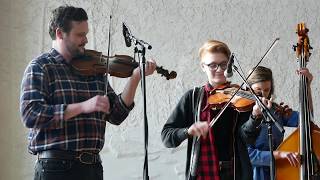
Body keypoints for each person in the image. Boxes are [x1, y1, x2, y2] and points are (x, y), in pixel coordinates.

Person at [19, 5, 156, 180]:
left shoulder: (95, 68)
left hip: (92, 168)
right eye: (80, 35)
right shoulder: (41, 67)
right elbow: (30, 115)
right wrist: (82, 107)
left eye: (86, 34)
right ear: (60, 33)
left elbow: (116, 115)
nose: (85, 40)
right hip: (55, 169)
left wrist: (135, 77)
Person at [161, 40, 265, 180]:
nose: (219, 69)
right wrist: (188, 131)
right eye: (212, 65)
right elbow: (167, 137)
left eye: (223, 64)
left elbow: (248, 138)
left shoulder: (240, 97)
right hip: (202, 172)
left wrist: (255, 117)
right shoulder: (192, 98)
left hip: (235, 173)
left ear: (230, 65)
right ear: (203, 67)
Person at [246, 66, 317, 180]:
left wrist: (307, 86)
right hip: (254, 174)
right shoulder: (242, 114)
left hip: (279, 172)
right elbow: (247, 155)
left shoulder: (275, 110)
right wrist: (279, 154)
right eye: (258, 91)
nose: (263, 96)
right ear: (248, 88)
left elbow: (307, 120)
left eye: (267, 90)